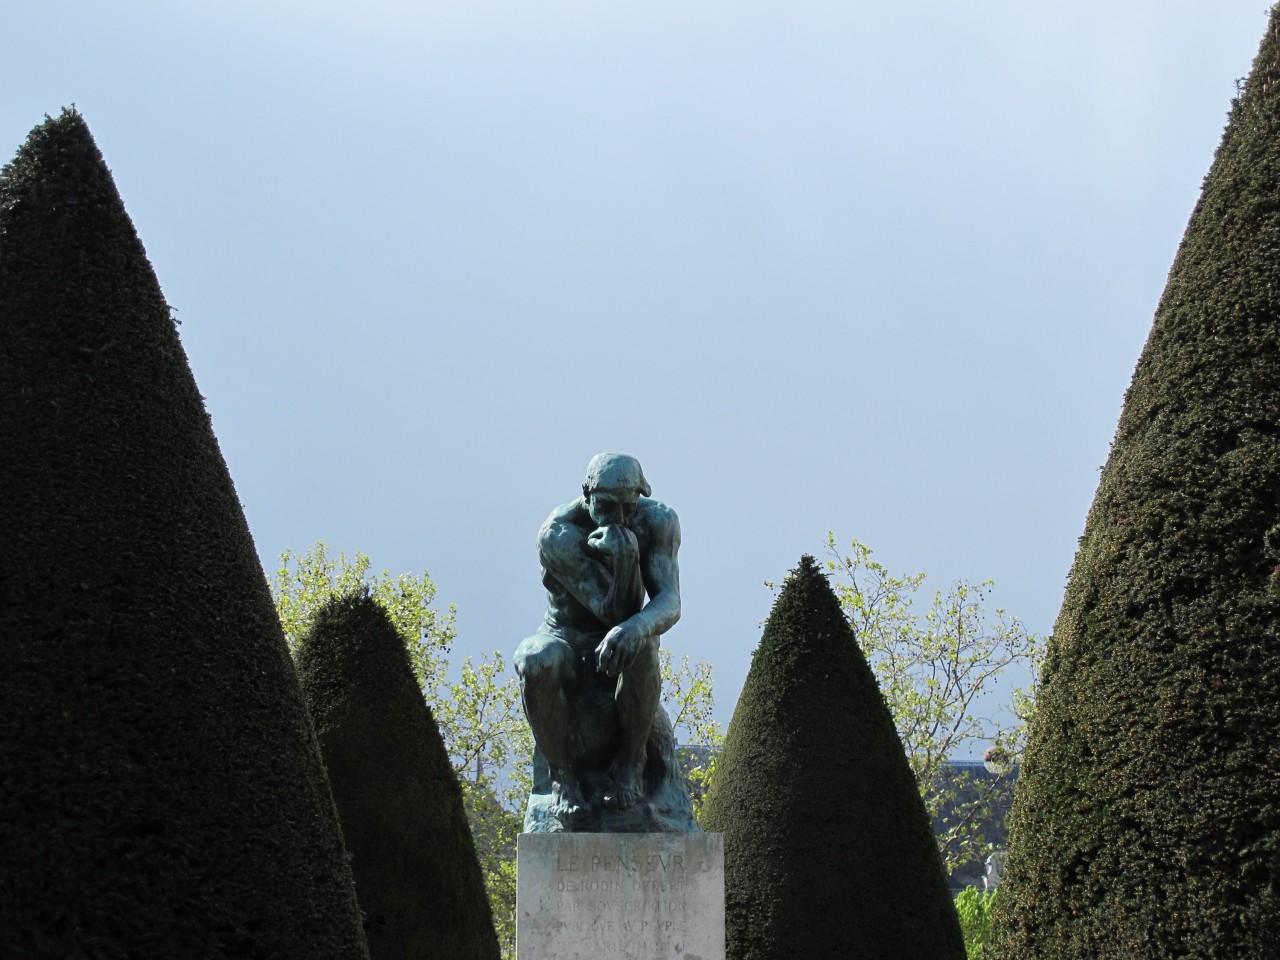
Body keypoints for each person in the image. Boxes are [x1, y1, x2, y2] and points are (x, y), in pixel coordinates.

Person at [514, 453, 681, 824]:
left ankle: (631, 763)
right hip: (569, 643)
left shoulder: (658, 520)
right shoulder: (558, 534)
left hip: (621, 643)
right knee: (534, 657)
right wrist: (624, 558)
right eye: (606, 506)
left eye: (628, 506)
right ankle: (563, 778)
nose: (618, 518)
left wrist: (636, 628)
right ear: (586, 494)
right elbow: (611, 613)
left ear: (642, 495)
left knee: (641, 640)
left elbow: (670, 602)